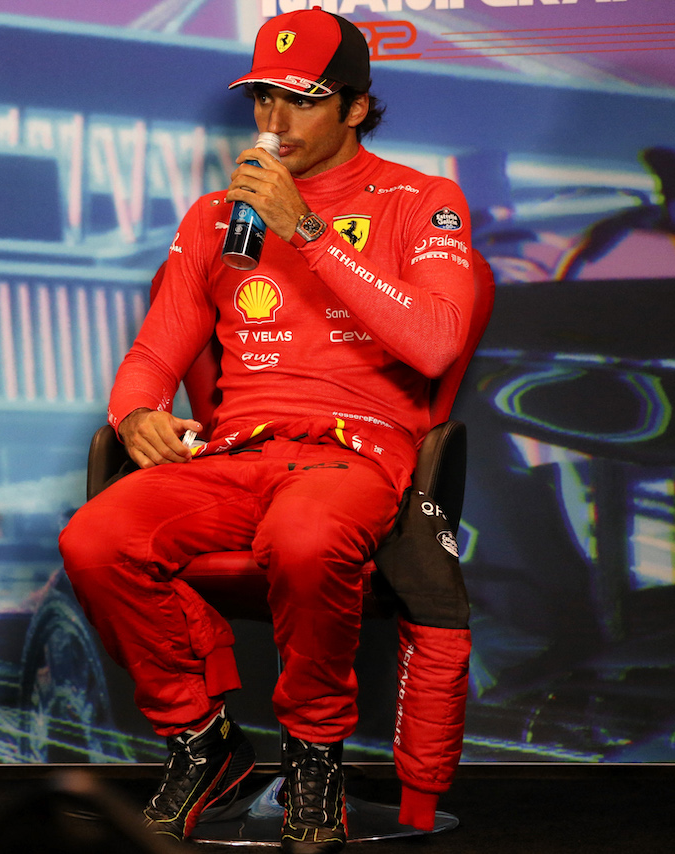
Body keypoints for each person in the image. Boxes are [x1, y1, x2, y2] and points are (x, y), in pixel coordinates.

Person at [58, 7, 476, 852]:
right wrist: (135, 412)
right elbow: (154, 351)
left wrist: (307, 229)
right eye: (262, 100)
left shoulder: (421, 200)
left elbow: (436, 342)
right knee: (95, 538)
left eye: (302, 101)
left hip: (354, 454)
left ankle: (315, 755)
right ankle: (204, 742)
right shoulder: (217, 215)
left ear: (355, 107)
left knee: (307, 534)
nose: (274, 124)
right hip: (238, 452)